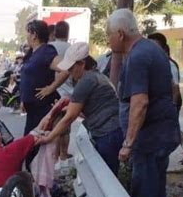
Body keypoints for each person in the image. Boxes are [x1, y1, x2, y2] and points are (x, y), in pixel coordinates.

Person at [106, 8, 180, 197]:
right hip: (161, 135)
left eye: (109, 35)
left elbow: (140, 103)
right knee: (157, 193)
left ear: (120, 33)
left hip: (149, 140)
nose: (108, 41)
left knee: (145, 195)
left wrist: (128, 143)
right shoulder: (152, 50)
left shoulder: (138, 57)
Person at [36, 42, 123, 175]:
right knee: (107, 174)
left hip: (107, 134)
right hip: (112, 131)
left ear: (82, 64)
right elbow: (92, 109)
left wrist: (50, 137)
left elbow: (69, 118)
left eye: (71, 69)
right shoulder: (97, 76)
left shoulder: (86, 81)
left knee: (106, 175)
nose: (70, 73)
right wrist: (66, 109)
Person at [20, 20, 68, 136]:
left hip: (42, 107)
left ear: (34, 35)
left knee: (34, 144)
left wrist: (51, 88)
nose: (26, 36)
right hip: (32, 109)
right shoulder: (32, 52)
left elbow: (66, 69)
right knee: (30, 142)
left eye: (28, 33)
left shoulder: (46, 51)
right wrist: (23, 99)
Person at [49, 21, 73, 169]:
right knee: (66, 127)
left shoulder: (50, 48)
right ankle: (63, 155)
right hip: (70, 93)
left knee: (56, 127)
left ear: (55, 32)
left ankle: (55, 156)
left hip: (54, 91)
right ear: (67, 33)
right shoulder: (71, 48)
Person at [147, 32, 182, 115]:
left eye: (155, 46)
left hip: (168, 107)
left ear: (163, 48)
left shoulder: (169, 64)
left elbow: (175, 89)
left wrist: (172, 108)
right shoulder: (152, 61)